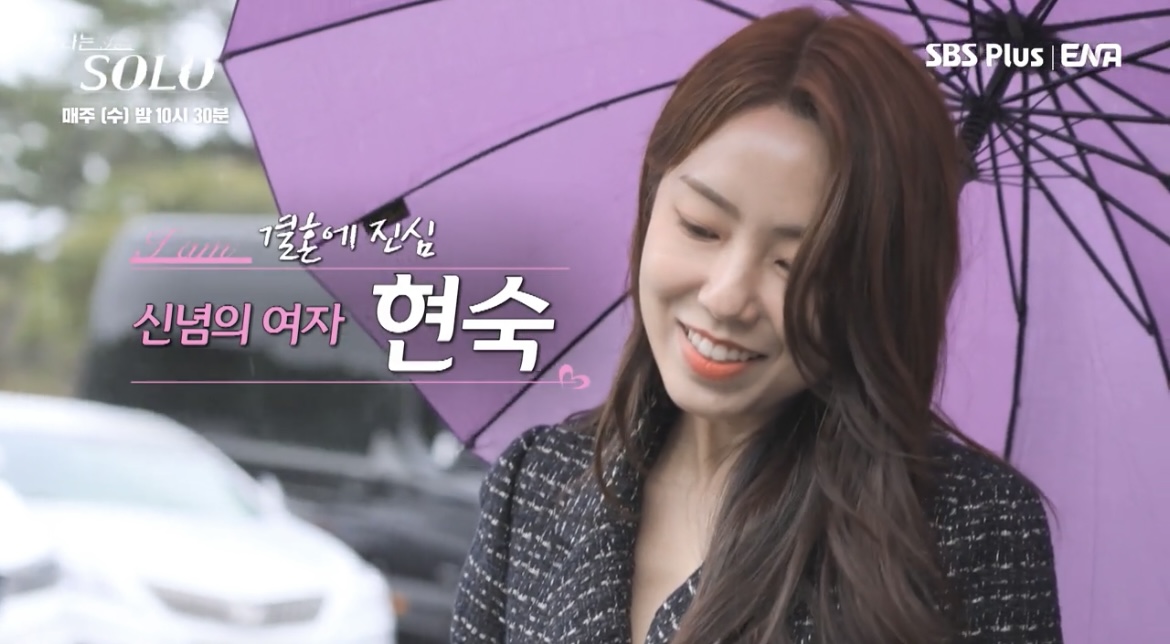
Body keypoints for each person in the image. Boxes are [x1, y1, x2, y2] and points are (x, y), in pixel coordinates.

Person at [451, 7, 1062, 644]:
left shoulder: (966, 530)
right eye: (701, 228)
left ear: (877, 287)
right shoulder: (538, 482)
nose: (726, 298)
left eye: (796, 264)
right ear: (652, 202)